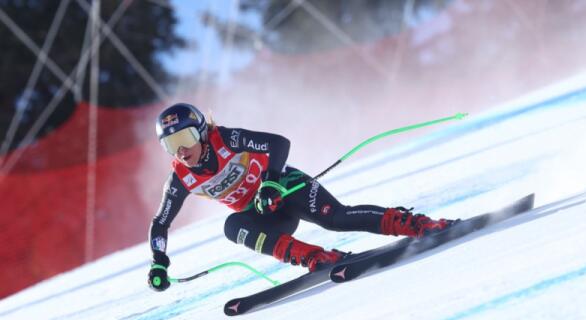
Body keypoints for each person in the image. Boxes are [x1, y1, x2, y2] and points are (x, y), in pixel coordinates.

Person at [148, 103, 453, 291]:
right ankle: (316, 257)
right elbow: (160, 223)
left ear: (201, 132)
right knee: (232, 226)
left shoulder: (225, 139)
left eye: (185, 138)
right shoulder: (180, 178)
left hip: (286, 189)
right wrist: (159, 261)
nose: (181, 151)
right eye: (171, 145)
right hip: (264, 215)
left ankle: (417, 224)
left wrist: (270, 183)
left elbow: (279, 144)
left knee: (336, 219)